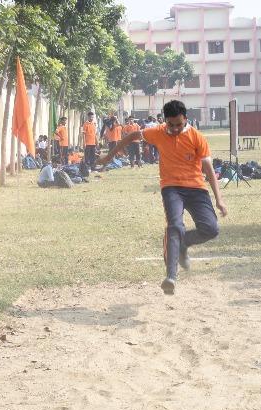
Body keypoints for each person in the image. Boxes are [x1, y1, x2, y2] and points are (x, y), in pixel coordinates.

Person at [96, 100, 227, 295]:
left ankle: (184, 243)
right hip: (171, 188)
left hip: (196, 188)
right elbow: (132, 136)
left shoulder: (197, 137)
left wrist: (219, 199)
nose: (174, 129)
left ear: (186, 119)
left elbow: (208, 168)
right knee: (175, 225)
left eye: (178, 124)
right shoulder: (158, 132)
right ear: (165, 121)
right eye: (170, 125)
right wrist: (109, 157)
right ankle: (171, 277)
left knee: (211, 229)